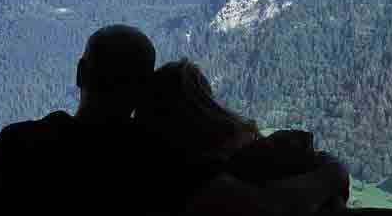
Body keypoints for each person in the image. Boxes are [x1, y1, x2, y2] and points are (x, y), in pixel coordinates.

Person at [0, 25, 347, 216]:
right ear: (142, 89)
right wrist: (330, 171)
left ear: (80, 73)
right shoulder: (157, 159)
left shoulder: (16, 143)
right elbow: (268, 208)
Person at [139, 58, 353, 215]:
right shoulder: (193, 175)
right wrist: (334, 170)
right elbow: (283, 205)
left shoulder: (157, 163)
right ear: (201, 109)